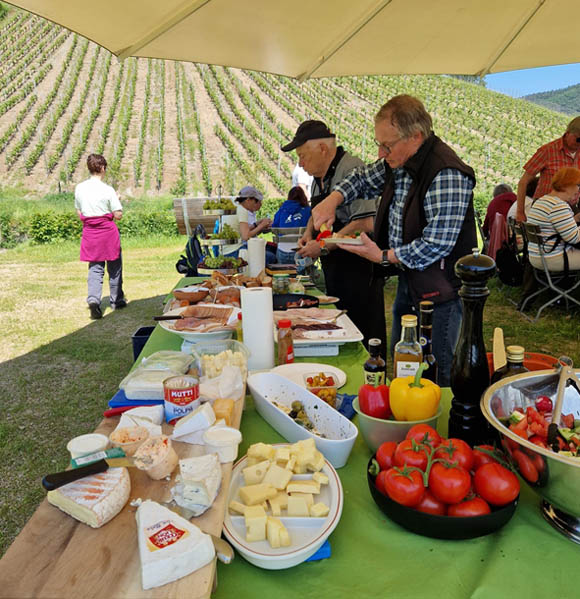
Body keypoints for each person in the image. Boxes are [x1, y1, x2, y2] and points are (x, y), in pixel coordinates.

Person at [311, 95, 477, 387]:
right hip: (410, 281)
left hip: (441, 292)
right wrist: (333, 199)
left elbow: (437, 244)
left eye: (386, 145)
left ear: (416, 136)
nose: (380, 152)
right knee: (404, 366)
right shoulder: (398, 161)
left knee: (436, 372)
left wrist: (384, 256)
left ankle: (438, 431)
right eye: (379, 144)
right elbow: (361, 178)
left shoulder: (446, 172)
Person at [281, 120, 376, 344]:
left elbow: (365, 222)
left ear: (323, 149)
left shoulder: (352, 169)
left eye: (303, 155)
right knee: (338, 326)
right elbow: (317, 213)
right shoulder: (317, 179)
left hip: (359, 271)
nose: (300, 163)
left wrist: (322, 246)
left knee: (360, 331)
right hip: (335, 269)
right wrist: (308, 234)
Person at [74, 153, 126, 320]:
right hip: (107, 232)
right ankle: (116, 300)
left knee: (95, 268)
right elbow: (118, 215)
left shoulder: (80, 188)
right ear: (102, 168)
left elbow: (79, 211)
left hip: (91, 232)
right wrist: (118, 200)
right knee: (114, 267)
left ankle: (94, 300)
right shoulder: (108, 190)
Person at [516, 116, 580, 222]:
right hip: (546, 208)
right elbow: (523, 182)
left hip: (569, 208)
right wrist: (520, 212)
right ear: (568, 133)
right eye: (578, 139)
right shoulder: (548, 151)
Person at [527, 167, 580, 272]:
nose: (578, 190)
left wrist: (573, 219)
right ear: (567, 185)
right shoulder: (558, 206)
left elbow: (553, 225)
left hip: (538, 255)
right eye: (578, 185)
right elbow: (574, 238)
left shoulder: (542, 201)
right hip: (553, 258)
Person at [233, 185, 276, 264]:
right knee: (271, 256)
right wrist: (261, 226)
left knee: (271, 250)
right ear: (248, 200)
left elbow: (244, 229)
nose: (259, 204)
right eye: (256, 201)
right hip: (238, 249)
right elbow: (246, 236)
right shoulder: (242, 210)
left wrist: (257, 224)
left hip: (239, 247)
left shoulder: (238, 208)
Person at [272, 186, 311, 265]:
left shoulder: (282, 209)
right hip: (300, 251)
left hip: (282, 251)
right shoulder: (308, 210)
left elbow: (274, 227)